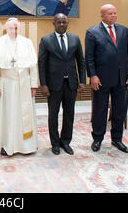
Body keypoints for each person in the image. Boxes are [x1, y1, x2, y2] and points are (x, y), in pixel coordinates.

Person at [85, 4, 128, 153]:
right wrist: (92, 76)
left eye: (115, 13)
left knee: (120, 109)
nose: (114, 16)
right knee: (99, 110)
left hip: (122, 79)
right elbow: (89, 57)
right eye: (110, 13)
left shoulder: (124, 30)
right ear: (102, 16)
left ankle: (117, 139)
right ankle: (97, 139)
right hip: (101, 79)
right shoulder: (92, 32)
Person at [0, 17, 39, 156]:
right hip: (6, 85)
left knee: (24, 116)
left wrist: (33, 85)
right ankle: (6, 145)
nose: (14, 31)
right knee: (7, 116)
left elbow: (33, 67)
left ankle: (26, 146)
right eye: (11, 28)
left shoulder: (27, 42)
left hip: (24, 84)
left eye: (16, 28)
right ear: (6, 28)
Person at [38, 13, 86, 155]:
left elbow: (81, 61)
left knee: (69, 114)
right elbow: (42, 64)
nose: (62, 25)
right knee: (53, 114)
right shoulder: (46, 40)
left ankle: (65, 141)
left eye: (64, 22)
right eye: (59, 22)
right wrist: (43, 84)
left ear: (67, 23)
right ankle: (55, 143)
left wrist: (83, 80)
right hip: (53, 85)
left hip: (71, 83)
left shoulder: (75, 39)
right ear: (53, 23)